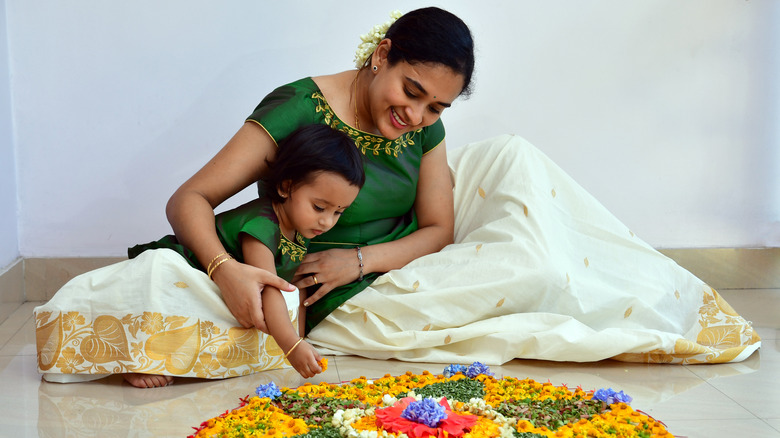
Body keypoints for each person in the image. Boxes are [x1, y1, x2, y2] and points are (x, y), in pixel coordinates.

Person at [35, 124, 364, 387]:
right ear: (285, 187)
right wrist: (291, 346)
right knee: (158, 282)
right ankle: (137, 359)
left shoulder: (300, 228)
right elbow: (269, 288)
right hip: (188, 271)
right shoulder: (262, 225)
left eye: (338, 212)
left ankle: (173, 356)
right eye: (319, 207)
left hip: (222, 290)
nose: (327, 221)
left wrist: (298, 338)